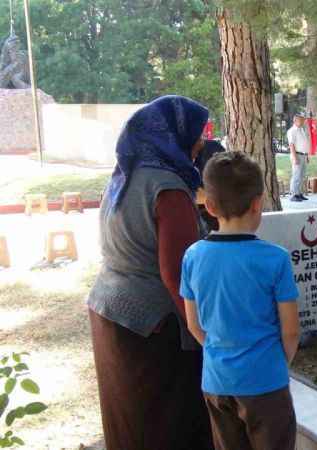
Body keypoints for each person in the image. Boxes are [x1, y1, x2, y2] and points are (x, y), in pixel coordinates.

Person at [86, 95, 214, 450]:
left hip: (109, 311)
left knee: (131, 425)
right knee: (168, 426)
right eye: (197, 134)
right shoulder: (168, 188)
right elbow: (178, 275)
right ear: (174, 134)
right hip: (153, 329)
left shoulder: (124, 175)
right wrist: (206, 336)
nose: (201, 143)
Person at [181, 151, 300, 450]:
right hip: (266, 382)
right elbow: (290, 331)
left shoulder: (193, 256)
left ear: (209, 206)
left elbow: (194, 325)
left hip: (216, 382)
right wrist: (276, 364)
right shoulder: (276, 259)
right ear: (257, 203)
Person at [287, 113, 310, 202]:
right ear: (295, 120)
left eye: (303, 120)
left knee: (302, 175)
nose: (303, 121)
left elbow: (304, 143)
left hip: (303, 155)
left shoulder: (301, 130)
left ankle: (299, 193)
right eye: (301, 120)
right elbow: (291, 145)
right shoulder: (292, 131)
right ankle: (294, 194)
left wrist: (307, 155)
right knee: (296, 175)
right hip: (297, 155)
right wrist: (294, 157)